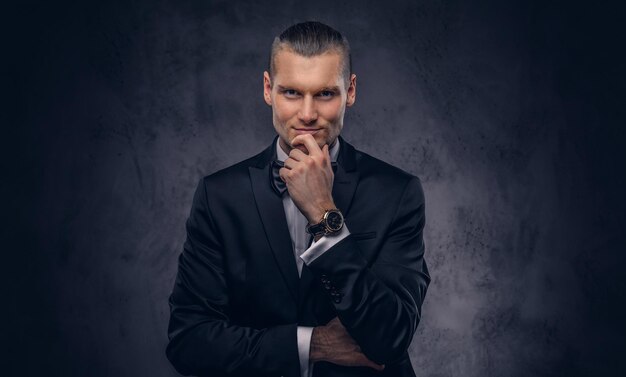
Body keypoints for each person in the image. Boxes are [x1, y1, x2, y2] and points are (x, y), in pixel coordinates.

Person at [166, 21, 430, 377]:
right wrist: (312, 344)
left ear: (350, 91)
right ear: (267, 89)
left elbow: (392, 337)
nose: (307, 114)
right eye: (291, 93)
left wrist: (324, 213)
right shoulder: (219, 196)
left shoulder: (397, 192)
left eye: (325, 94)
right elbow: (189, 342)